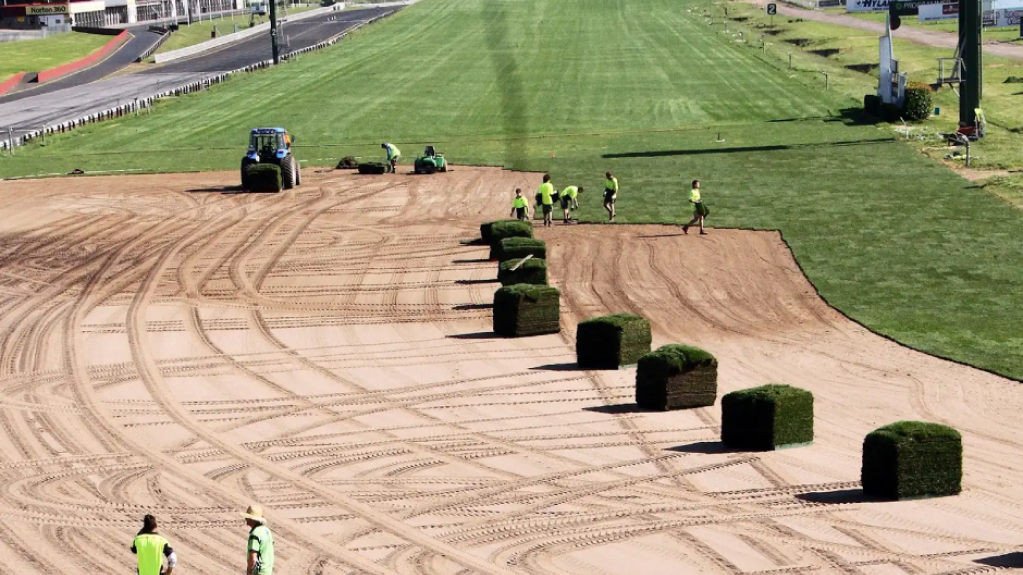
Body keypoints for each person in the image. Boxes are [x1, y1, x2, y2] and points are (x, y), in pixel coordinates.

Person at [243, 505, 274, 575]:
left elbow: (253, 557)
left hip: (259, 572)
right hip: (267, 571)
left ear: (252, 519)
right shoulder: (267, 531)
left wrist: (249, 572)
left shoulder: (255, 533)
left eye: (247, 517)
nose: (246, 519)